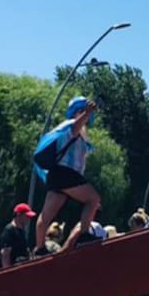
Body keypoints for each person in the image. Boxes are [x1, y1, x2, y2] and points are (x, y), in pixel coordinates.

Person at [33, 96, 102, 254]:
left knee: (48, 212)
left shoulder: (72, 129)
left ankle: (40, 248)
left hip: (58, 174)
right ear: (80, 111)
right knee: (93, 199)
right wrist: (86, 113)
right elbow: (75, 128)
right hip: (66, 172)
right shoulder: (72, 124)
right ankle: (84, 236)